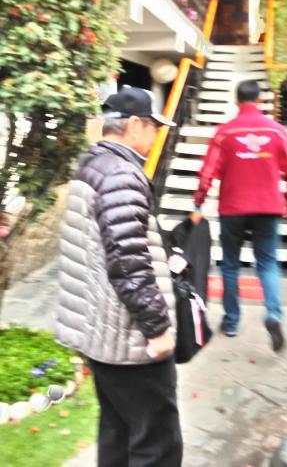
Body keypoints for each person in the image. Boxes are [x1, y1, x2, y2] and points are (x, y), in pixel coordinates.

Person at [55, 86, 183, 467]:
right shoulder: (121, 174)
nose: (157, 135)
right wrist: (157, 328)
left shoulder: (92, 163)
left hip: (101, 334)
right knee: (157, 444)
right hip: (129, 341)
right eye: (153, 127)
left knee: (118, 432)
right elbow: (128, 262)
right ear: (134, 125)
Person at [191, 79, 287, 351]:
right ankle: (274, 314)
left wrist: (198, 203)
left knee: (230, 264)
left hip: (233, 208)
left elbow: (207, 172)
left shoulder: (224, 133)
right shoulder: (277, 132)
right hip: (268, 207)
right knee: (267, 263)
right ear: (260, 101)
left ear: (236, 101)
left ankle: (231, 322)